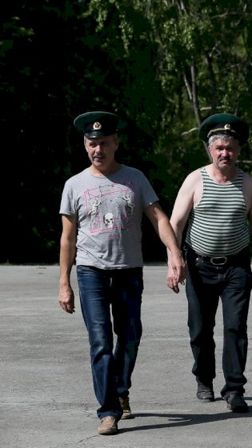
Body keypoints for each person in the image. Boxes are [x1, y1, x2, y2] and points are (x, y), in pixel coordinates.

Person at [58, 111, 185, 435]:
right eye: (92, 144)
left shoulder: (135, 179)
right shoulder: (74, 185)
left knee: (129, 337)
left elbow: (158, 217)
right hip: (91, 273)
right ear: (85, 145)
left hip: (128, 271)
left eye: (103, 143)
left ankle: (121, 388)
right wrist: (64, 283)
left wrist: (174, 252)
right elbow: (68, 238)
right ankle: (108, 411)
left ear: (115, 143)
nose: (97, 149)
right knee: (100, 340)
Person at [168, 112, 252, 413]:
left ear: (238, 150)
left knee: (235, 328)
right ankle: (204, 378)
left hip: (236, 267)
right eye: (219, 148)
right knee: (200, 329)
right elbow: (176, 224)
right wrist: (174, 261)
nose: (225, 153)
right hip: (199, 266)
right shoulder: (195, 180)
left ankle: (234, 389)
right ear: (209, 150)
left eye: (230, 148)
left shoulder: (248, 184)